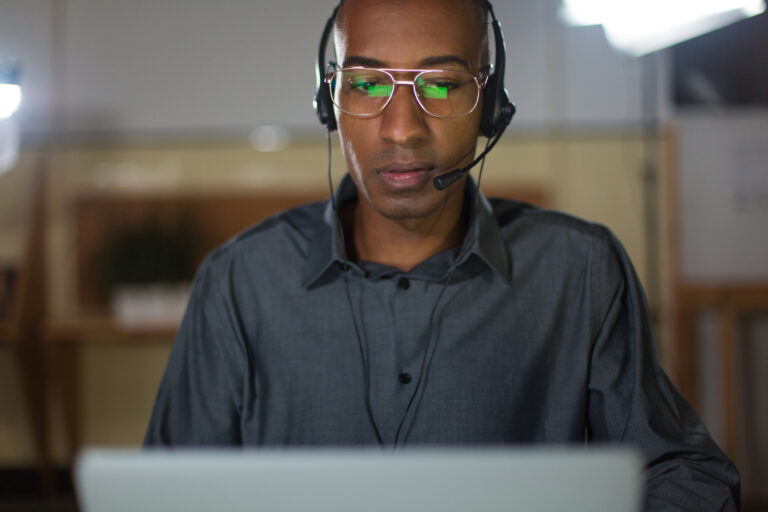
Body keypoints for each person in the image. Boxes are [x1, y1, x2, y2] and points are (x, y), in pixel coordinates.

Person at [144, 0, 740, 509]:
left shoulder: (579, 269)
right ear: (330, 103)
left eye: (443, 84)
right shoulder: (239, 281)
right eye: (368, 84)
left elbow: (688, 473)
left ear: (490, 109)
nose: (402, 128)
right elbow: (166, 495)